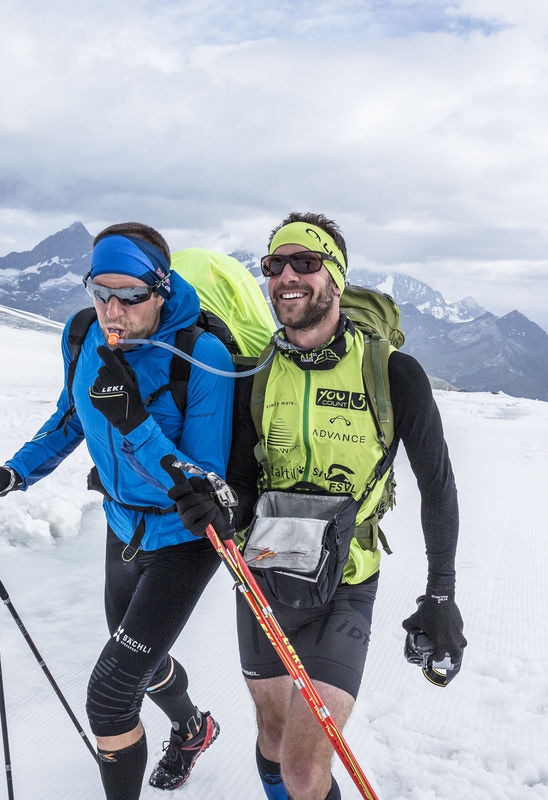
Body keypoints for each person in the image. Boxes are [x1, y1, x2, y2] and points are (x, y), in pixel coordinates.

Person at [167, 212, 466, 800]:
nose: (286, 276)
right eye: (274, 265)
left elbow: (438, 484)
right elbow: (243, 479)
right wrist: (220, 503)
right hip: (263, 575)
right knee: (274, 736)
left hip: (347, 582)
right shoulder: (256, 375)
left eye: (305, 262)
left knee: (307, 766)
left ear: (335, 275)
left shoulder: (392, 374)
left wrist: (442, 593)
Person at [0, 222, 231, 800]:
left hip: (182, 539)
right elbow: (71, 417)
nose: (112, 309)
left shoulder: (200, 357)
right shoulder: (83, 336)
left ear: (160, 288)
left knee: (110, 694)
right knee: (139, 659)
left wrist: (135, 420)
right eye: (98, 291)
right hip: (121, 524)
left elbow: (203, 485)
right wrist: (13, 474)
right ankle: (192, 727)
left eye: (128, 296)